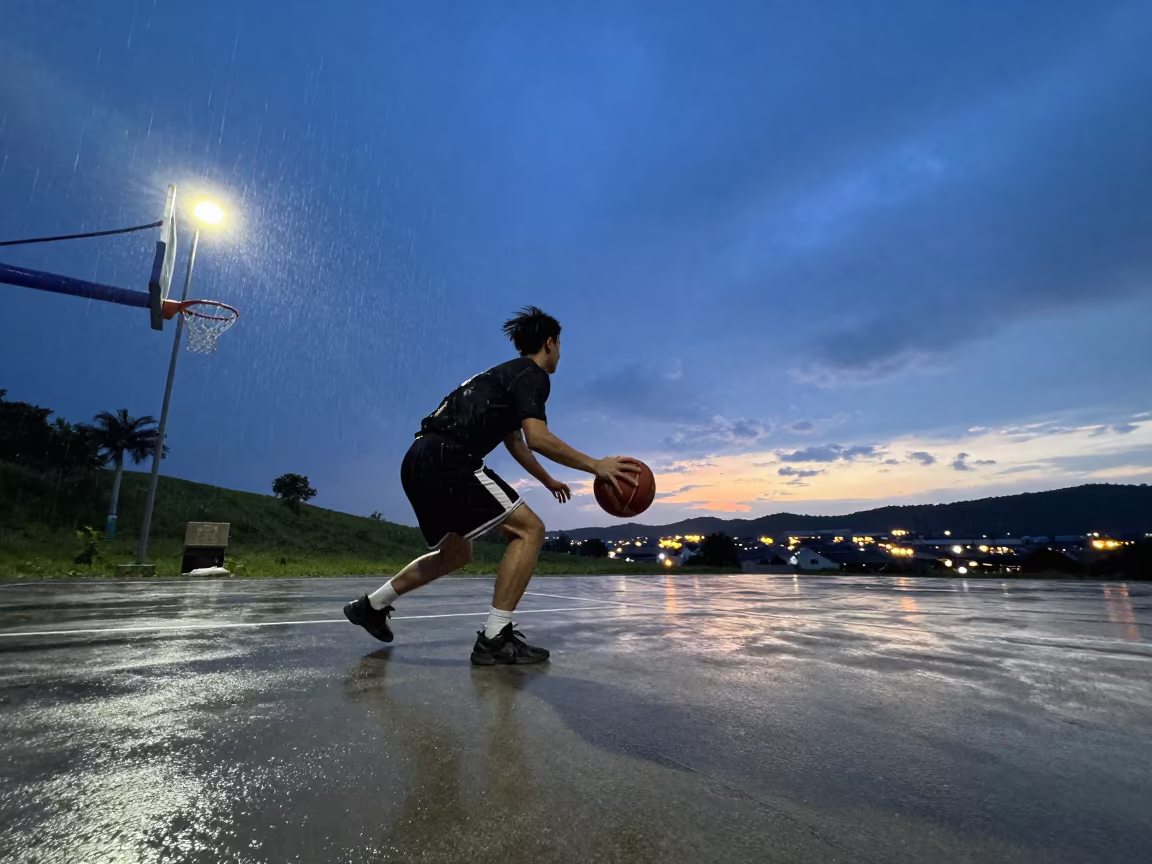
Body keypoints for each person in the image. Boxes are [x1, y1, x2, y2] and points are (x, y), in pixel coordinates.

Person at [344, 306, 640, 665]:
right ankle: (495, 637)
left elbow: (515, 442)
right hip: (447, 458)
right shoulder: (532, 375)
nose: (560, 352)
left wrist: (547, 480)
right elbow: (538, 438)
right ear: (550, 343)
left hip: (418, 458)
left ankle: (370, 606)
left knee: (456, 554)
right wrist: (596, 466)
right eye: (560, 344)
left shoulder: (502, 378)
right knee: (530, 531)